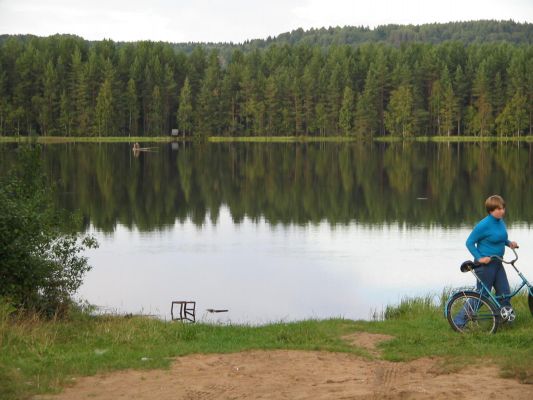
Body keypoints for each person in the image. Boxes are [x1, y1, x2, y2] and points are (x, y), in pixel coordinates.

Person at [454, 195, 518, 327]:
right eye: (498, 209)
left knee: (505, 293)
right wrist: (480, 258)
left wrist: (509, 243)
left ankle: (504, 320)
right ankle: (459, 321)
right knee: (482, 296)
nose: (501, 211)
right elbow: (470, 242)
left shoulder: (500, 221)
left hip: (498, 262)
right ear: (490, 210)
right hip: (485, 265)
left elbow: (499, 238)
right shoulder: (483, 225)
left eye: (503, 208)